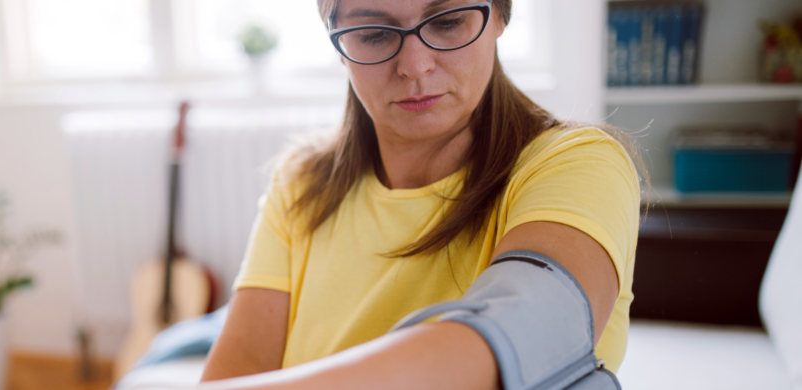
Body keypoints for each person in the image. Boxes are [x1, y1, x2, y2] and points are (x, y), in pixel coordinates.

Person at [199, 0, 644, 388]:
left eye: (447, 22)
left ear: (499, 16)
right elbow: (236, 372)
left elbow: (522, 332)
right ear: (338, 45)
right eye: (373, 34)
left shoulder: (579, 161)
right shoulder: (299, 185)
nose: (414, 65)